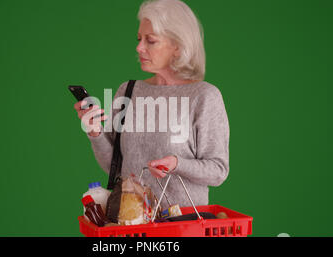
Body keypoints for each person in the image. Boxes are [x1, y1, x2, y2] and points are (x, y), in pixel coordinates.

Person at [73, 0, 229, 209]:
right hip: (131, 225)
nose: (139, 47)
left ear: (178, 46)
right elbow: (115, 168)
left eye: (151, 41)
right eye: (139, 39)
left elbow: (217, 171)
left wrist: (177, 164)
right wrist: (95, 133)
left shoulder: (204, 97)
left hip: (182, 225)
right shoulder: (127, 92)